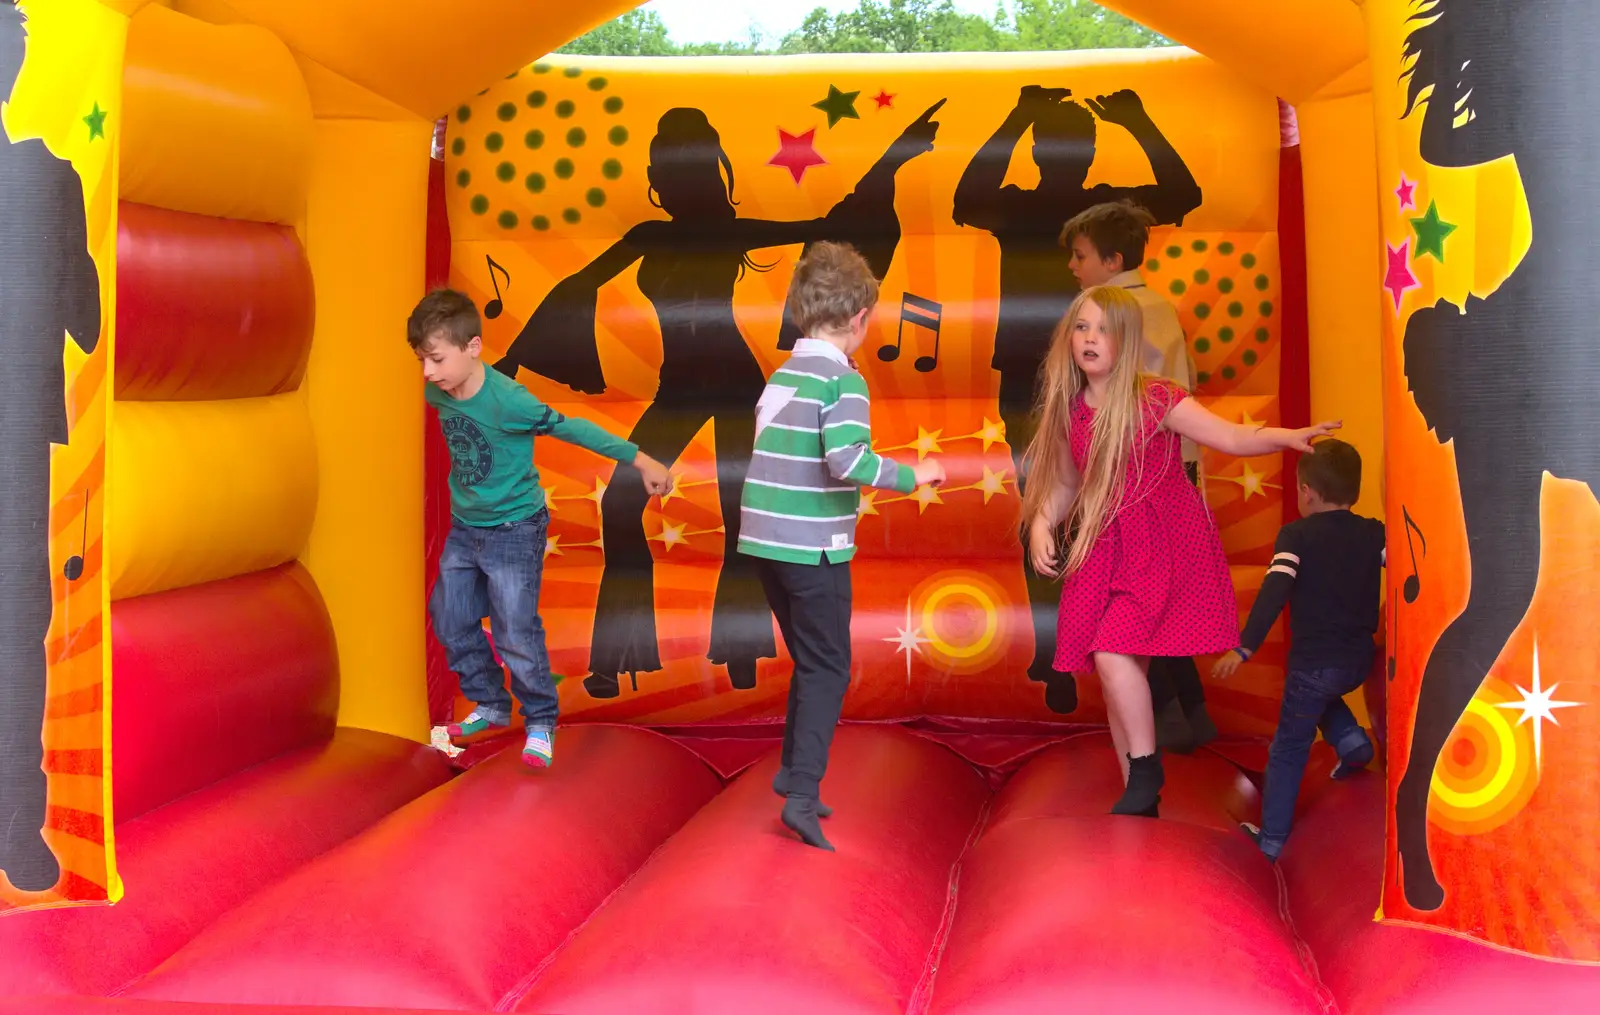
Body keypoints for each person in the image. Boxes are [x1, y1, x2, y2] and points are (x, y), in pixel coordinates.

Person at [497, 101, 943, 701]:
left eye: (686, 168)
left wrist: (893, 161)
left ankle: (740, 648)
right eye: (667, 168)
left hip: (735, 383)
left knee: (742, 518)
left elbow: (825, 226)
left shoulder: (724, 231)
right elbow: (577, 285)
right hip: (680, 385)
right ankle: (621, 654)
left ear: (706, 173)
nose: (674, 179)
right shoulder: (650, 235)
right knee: (619, 508)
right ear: (659, 179)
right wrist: (517, 356)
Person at [1387, 0, 1600, 911]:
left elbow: (1442, 140)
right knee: (1502, 589)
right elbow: (1442, 144)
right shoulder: (1551, 84)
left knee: (1501, 590)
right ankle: (1412, 797)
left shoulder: (1531, 92)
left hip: (1546, 339)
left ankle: (1410, 795)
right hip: (1532, 348)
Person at [1021, 286, 1337, 817]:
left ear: (1127, 342)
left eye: (1104, 330)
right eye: (1082, 328)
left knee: (1113, 653)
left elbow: (1230, 438)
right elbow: (1067, 482)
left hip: (1159, 542)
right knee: (1120, 669)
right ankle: (1137, 791)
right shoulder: (1072, 411)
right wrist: (1040, 524)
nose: (1091, 339)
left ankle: (1146, 769)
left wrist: (1286, 437)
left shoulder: (1157, 399)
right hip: (1106, 546)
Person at [954, 85, 1201, 714]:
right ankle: (1062, 652)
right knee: (1049, 515)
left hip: (1079, 389)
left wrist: (1022, 116)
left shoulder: (1100, 218)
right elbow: (964, 199)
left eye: (1080, 259)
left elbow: (1183, 194)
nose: (1073, 264)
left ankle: (1103, 660)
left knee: (1083, 518)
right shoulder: (1037, 208)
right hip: (1037, 384)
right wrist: (1133, 120)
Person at [737, 242, 945, 851]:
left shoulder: (783, 374)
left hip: (765, 544)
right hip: (813, 548)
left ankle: (790, 771)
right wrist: (915, 476)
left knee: (809, 657)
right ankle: (801, 794)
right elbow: (845, 459)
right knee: (829, 666)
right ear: (860, 319)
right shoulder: (842, 380)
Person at [410, 289, 672, 768]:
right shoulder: (438, 390)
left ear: (473, 348)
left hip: (515, 530)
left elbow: (574, 429)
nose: (427, 373)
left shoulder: (511, 402)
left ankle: (539, 721)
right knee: (449, 617)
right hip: (467, 530)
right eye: (421, 360)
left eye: (436, 359)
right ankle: (489, 703)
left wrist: (641, 459)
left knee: (514, 630)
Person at [1, 0, 101, 892]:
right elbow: (89, 317)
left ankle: (16, 827)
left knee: (15, 630)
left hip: (18, 438)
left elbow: (86, 320)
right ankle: (15, 828)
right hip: (18, 436)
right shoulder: (51, 172)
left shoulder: (54, 174)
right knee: (13, 632)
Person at [1060, 200, 1217, 753]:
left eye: (1080, 257)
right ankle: (1188, 714)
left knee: (1124, 610)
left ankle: (1166, 723)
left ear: (1112, 259)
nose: (1074, 268)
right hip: (1173, 470)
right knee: (1154, 598)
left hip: (1131, 479)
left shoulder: (1110, 308)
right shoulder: (1162, 307)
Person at [1214, 439, 1382, 862]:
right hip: (1360, 661)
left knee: (1289, 746)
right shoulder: (1373, 533)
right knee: (1316, 691)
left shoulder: (1296, 536)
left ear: (1306, 491)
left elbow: (1274, 591)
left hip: (1313, 667)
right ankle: (1350, 742)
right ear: (1355, 491)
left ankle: (1270, 840)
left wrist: (1245, 646)